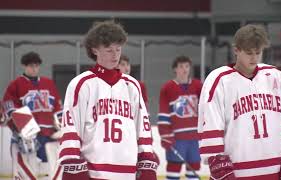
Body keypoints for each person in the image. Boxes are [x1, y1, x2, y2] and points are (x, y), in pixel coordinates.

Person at [55, 20, 158, 180]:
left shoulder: (132, 86)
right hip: (93, 172)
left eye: (118, 49)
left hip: (127, 172)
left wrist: (146, 161)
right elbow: (71, 128)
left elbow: (143, 128)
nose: (115, 55)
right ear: (95, 50)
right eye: (109, 50)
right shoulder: (82, 84)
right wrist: (73, 164)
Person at [198, 24, 281, 179]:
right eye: (248, 53)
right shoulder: (219, 81)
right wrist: (217, 161)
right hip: (236, 172)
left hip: (273, 170)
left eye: (257, 53)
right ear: (236, 50)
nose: (254, 58)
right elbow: (210, 122)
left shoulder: (274, 76)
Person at [2, 51, 63, 179]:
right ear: (25, 66)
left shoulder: (49, 83)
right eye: (31, 66)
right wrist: (20, 128)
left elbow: (57, 107)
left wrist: (62, 125)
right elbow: (9, 106)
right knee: (24, 171)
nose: (34, 68)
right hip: (27, 134)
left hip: (48, 133)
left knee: (55, 170)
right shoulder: (16, 84)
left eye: (36, 65)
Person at [158, 55, 202, 180]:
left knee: (194, 167)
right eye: (181, 66)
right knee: (173, 168)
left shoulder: (199, 86)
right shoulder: (167, 88)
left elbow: (206, 110)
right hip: (177, 139)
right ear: (175, 69)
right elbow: (163, 113)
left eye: (187, 66)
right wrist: (166, 135)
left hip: (195, 138)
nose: (184, 69)